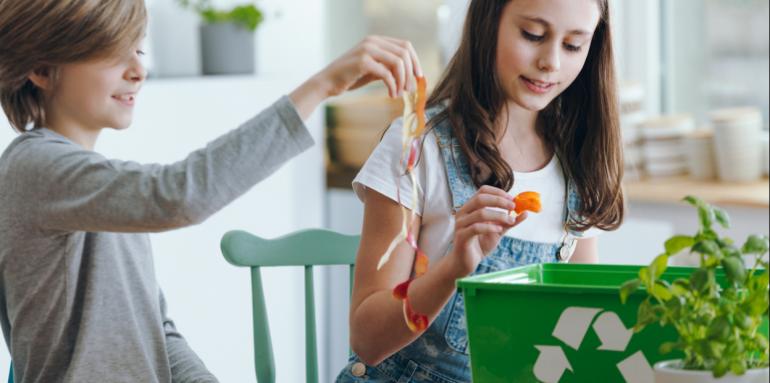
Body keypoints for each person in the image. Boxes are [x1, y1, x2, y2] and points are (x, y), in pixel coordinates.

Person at [0, 0, 423, 381]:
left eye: (138, 51)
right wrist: (322, 86)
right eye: (111, 52)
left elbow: (155, 329)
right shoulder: (34, 169)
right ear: (41, 69)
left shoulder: (94, 187)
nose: (138, 71)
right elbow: (178, 195)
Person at [336, 0, 624, 381]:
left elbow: (580, 324)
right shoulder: (419, 148)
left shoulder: (578, 162)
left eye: (573, 45)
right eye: (533, 35)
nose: (551, 62)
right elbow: (368, 339)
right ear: (488, 23)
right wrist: (453, 268)